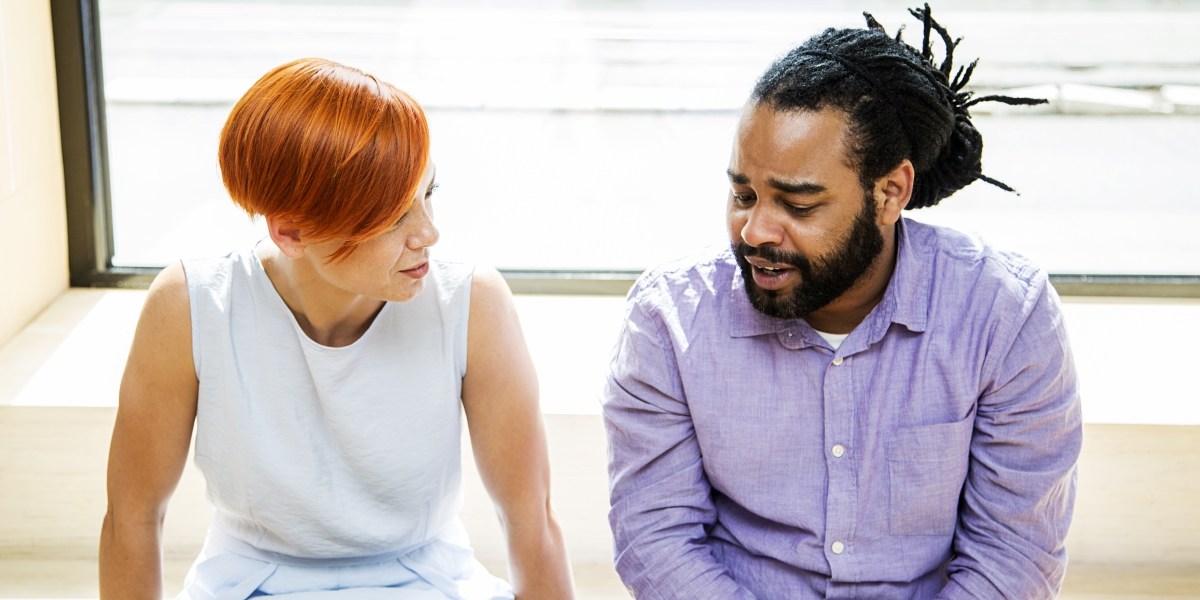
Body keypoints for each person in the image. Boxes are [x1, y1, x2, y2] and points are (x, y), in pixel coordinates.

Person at [602, 6, 1082, 599]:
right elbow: (655, 539)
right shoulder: (668, 320)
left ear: (890, 192)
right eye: (742, 194)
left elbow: (1013, 554)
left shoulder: (1005, 315)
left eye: (798, 205)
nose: (755, 231)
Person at [99, 58, 575, 600]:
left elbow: (530, 517)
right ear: (292, 231)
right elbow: (132, 516)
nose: (429, 232)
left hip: (429, 580)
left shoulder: (472, 302)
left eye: (429, 193)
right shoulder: (192, 303)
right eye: (394, 215)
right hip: (249, 582)